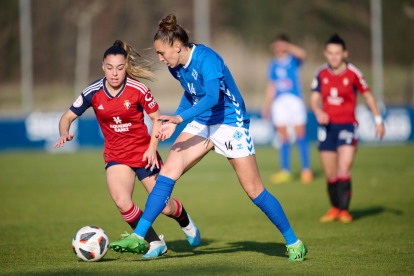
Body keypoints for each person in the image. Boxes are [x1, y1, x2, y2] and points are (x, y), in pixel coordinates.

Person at [109, 14, 307, 261]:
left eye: (162, 53)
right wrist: (175, 123)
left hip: (230, 122)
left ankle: (293, 241)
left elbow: (212, 97)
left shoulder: (207, 58)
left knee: (255, 191)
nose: (160, 59)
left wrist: (180, 120)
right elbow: (191, 94)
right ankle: (139, 237)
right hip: (204, 121)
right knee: (169, 170)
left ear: (177, 47)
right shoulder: (175, 67)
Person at [54, 40, 200, 258]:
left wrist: (152, 148)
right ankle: (154, 243)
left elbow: (157, 118)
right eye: (110, 68)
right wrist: (64, 133)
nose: (115, 73)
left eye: (120, 68)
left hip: (143, 154)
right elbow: (67, 117)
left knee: (165, 207)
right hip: (116, 156)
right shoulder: (93, 92)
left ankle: (184, 220)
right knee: (122, 202)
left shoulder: (138, 89)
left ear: (126, 67)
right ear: (103, 66)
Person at [310, 34, 385, 223]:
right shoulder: (320, 73)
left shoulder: (354, 73)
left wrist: (378, 119)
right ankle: (335, 208)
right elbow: (313, 99)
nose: (334, 57)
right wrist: (318, 112)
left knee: (344, 167)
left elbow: (367, 96)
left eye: (337, 53)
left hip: (347, 126)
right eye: (330, 53)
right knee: (330, 173)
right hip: (326, 128)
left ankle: (344, 210)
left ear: (345, 53)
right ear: (325, 53)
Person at [262, 34, 312, 185]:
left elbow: (303, 54)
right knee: (283, 137)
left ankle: (306, 170)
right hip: (279, 102)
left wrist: (287, 46)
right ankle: (285, 171)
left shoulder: (293, 60)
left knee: (300, 134)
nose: (279, 48)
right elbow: (272, 86)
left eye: (281, 45)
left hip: (294, 100)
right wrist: (267, 106)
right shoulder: (273, 64)